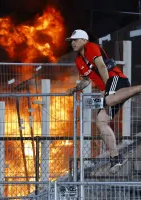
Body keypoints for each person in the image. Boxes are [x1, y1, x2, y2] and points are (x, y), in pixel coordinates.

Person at [65, 29, 141, 173]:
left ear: (84, 40)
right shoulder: (78, 60)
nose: (72, 43)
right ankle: (116, 158)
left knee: (110, 99)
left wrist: (107, 90)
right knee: (100, 121)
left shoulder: (91, 47)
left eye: (75, 40)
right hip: (109, 90)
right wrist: (74, 89)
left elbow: (101, 66)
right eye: (71, 41)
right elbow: (86, 80)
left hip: (116, 80)